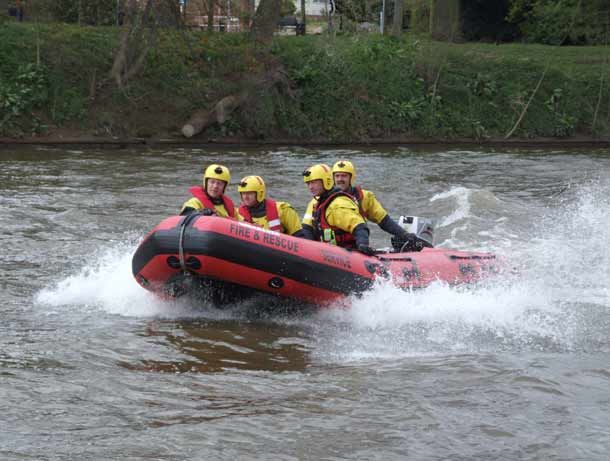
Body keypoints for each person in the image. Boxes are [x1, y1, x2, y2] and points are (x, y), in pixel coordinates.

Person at [331, 159, 418, 248]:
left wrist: (404, 234)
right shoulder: (324, 199)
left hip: (357, 245)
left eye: (344, 176)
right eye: (337, 176)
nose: (340, 179)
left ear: (351, 178)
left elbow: (384, 221)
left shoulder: (365, 197)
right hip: (330, 248)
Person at [301, 163, 375, 255]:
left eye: (313, 182)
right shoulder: (318, 203)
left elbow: (359, 226)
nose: (310, 187)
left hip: (347, 255)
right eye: (308, 183)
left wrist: (363, 244)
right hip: (328, 253)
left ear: (326, 181)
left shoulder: (337, 205)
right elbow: (307, 229)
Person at [237, 175, 305, 237]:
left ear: (260, 193)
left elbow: (299, 236)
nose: (245, 197)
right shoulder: (238, 214)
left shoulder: (283, 210)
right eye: (243, 193)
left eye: (249, 193)